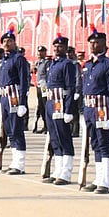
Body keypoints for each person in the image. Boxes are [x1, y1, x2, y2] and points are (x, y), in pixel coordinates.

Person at [80, 25, 109, 193]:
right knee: (95, 143)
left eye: (97, 43)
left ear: (104, 44)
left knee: (104, 143)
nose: (93, 46)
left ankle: (106, 181)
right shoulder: (88, 64)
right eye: (91, 43)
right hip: (89, 108)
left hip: (102, 108)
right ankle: (98, 178)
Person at [43, 36, 79, 185]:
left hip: (61, 103)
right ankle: (58, 169)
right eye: (55, 46)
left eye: (60, 46)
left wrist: (69, 109)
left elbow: (70, 87)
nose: (57, 49)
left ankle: (66, 172)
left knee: (64, 137)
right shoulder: (52, 63)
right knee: (54, 137)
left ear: (66, 48)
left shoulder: (67, 64)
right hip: (51, 102)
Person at [0, 30, 31, 174]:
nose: (6, 44)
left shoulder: (18, 59)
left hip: (14, 97)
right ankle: (14, 162)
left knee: (17, 129)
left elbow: (24, 81)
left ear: (14, 43)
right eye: (4, 41)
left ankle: (20, 164)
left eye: (9, 41)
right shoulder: (4, 60)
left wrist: (23, 102)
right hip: (4, 97)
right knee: (9, 130)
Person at [32, 46, 50, 134]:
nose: (39, 54)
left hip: (45, 87)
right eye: (38, 52)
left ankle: (48, 126)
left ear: (45, 53)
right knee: (41, 107)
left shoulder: (47, 63)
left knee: (46, 106)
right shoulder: (38, 63)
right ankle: (44, 125)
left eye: (41, 52)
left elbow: (48, 75)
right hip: (39, 87)